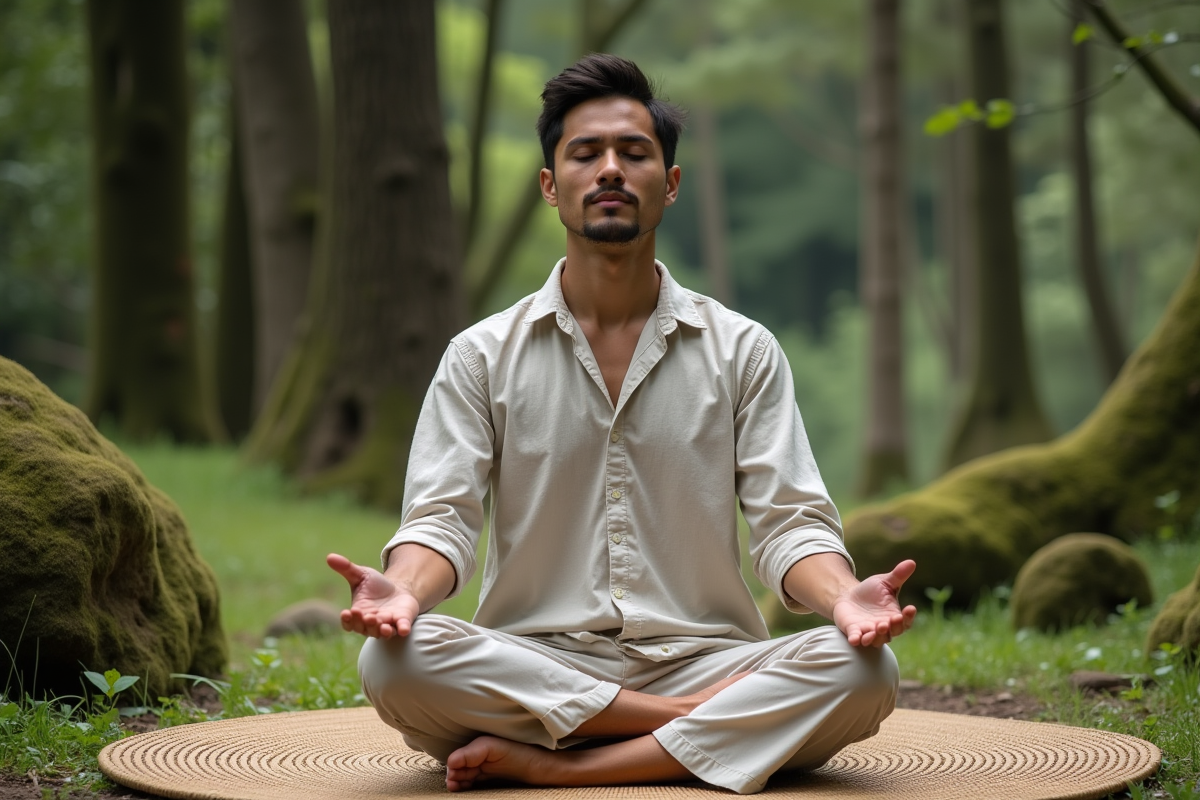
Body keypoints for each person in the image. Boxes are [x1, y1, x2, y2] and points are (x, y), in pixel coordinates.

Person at [327, 53, 917, 795]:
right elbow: (442, 518)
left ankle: (572, 762)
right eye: (586, 153)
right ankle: (696, 726)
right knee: (393, 661)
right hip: (534, 660)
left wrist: (843, 599)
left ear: (668, 185)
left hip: (710, 656)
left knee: (863, 670)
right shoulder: (479, 356)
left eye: (634, 153)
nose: (610, 169)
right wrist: (406, 593)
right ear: (551, 185)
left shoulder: (743, 351)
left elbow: (789, 523)